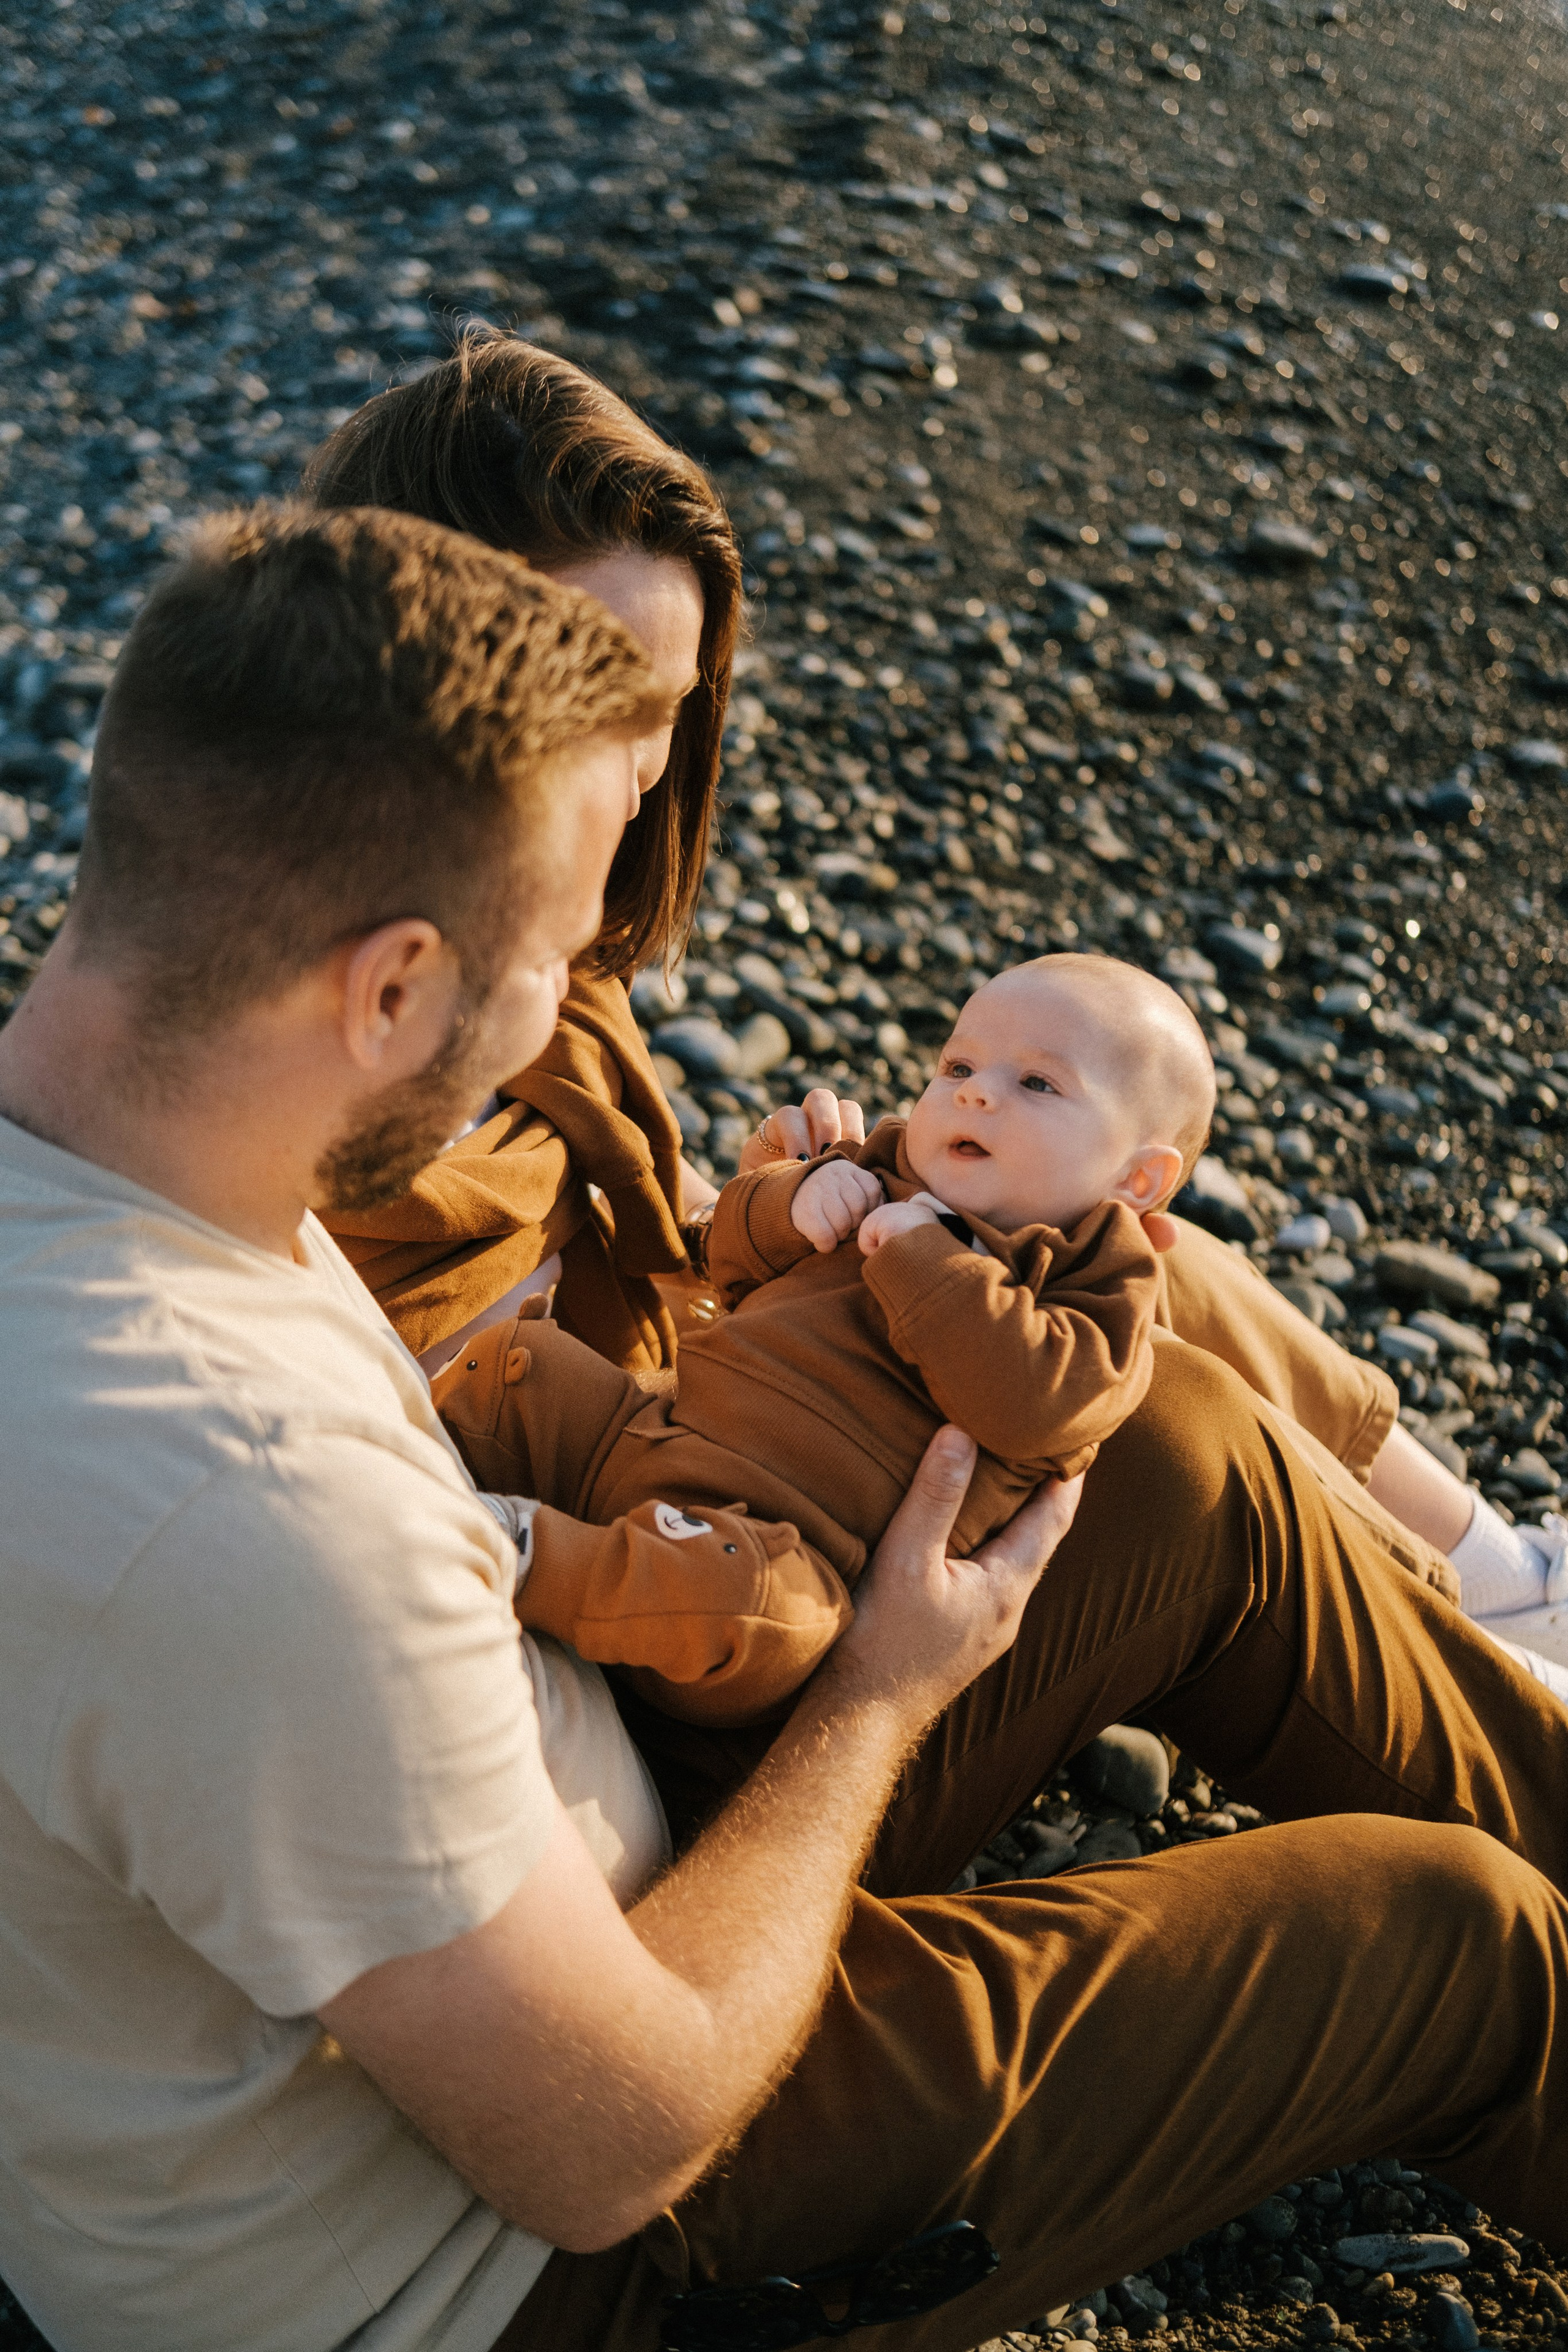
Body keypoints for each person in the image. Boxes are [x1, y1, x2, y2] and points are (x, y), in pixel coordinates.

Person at [6, 500, 1568, 2352]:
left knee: (1173, 1452)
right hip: (524, 2242)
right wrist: (881, 1695)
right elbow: (611, 2137)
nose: (562, 1025)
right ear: (395, 986)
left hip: (545, 1851)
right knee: (1458, 1941)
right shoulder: (235, 1503)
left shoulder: (129, 1170)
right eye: (555, 960)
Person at [296, 329, 1568, 1673]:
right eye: (579, 712)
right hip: (711, 1582)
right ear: (387, 686)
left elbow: (651, 1240)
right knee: (1161, 1424)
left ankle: (1507, 1588)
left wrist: (776, 1197)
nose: (634, 782)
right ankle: (1472, 1660)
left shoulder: (550, 978)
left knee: (1112, 1239)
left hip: (742, 1410)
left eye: (659, 713)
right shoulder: (300, 1116)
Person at [445, 956, 1213, 1724]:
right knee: (522, 1368)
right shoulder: (885, 1165)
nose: (974, 1092)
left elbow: (1040, 1405)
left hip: (782, 1542)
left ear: (1137, 1180)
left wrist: (924, 1257)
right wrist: (787, 1200)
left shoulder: (1096, 1283)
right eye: (958, 1066)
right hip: (648, 1434)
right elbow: (724, 1261)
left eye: (1037, 1083)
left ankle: (529, 1551)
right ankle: (424, 1450)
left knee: (759, 1608)